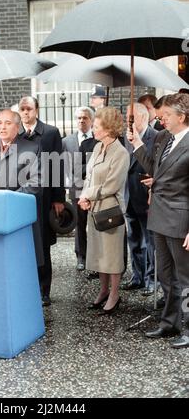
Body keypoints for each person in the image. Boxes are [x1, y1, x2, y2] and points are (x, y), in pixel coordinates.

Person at [127, 93, 189, 348]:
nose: (161, 120)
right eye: (161, 116)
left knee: (185, 278)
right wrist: (137, 144)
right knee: (166, 275)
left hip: (181, 219)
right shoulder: (164, 137)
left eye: (166, 116)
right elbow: (155, 167)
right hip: (160, 217)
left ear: (182, 117)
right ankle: (169, 322)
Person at [0, 109, 44, 267]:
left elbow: (35, 183)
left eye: (7, 123)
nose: (2, 127)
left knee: (19, 262)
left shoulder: (31, 149)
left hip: (16, 214)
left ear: (17, 128)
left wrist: (8, 200)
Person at [78, 108, 129, 314]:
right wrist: (84, 197)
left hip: (110, 210)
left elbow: (112, 185)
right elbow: (89, 177)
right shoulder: (98, 147)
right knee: (99, 254)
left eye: (97, 127)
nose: (93, 130)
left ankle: (115, 295)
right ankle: (103, 291)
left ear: (108, 129)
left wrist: (87, 195)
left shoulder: (121, 153)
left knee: (112, 256)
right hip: (93, 208)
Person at [18, 96, 65, 306]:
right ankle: (26, 288)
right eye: (22, 109)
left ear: (37, 110)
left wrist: (58, 197)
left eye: (29, 109)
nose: (25, 113)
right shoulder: (16, 134)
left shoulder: (51, 133)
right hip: (20, 195)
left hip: (44, 197)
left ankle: (44, 291)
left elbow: (58, 166)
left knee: (42, 244)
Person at [122, 103, 158, 294]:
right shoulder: (125, 137)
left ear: (144, 117)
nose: (128, 121)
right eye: (127, 117)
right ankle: (138, 276)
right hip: (129, 195)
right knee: (133, 239)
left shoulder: (156, 137)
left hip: (146, 196)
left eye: (132, 117)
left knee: (151, 242)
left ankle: (152, 279)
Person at [62, 106, 95, 271]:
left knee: (96, 224)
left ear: (92, 120)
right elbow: (64, 165)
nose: (82, 121)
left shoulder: (99, 139)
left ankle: (96, 258)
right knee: (79, 224)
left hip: (95, 189)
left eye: (85, 118)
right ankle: (81, 256)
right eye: (79, 118)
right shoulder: (67, 141)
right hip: (76, 188)